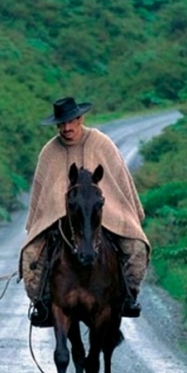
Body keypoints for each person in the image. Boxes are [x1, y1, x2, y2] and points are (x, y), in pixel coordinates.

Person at [19, 97, 150, 327]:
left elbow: (119, 183)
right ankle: (41, 303)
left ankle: (129, 296)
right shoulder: (50, 152)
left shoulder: (102, 143)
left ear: (80, 119)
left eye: (71, 122)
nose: (66, 128)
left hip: (103, 218)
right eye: (61, 124)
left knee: (137, 249)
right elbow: (42, 194)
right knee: (30, 255)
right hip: (58, 223)